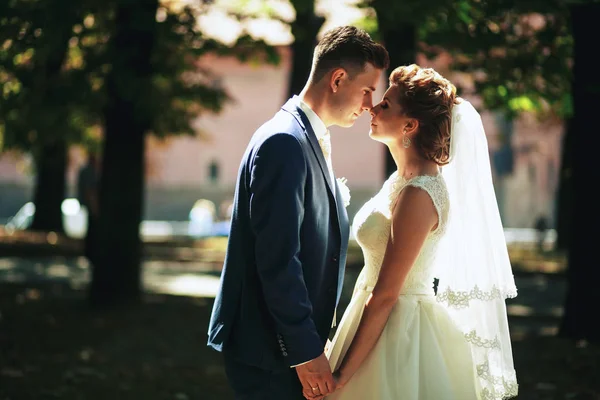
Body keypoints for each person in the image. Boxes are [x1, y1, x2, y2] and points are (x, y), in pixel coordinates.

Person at [207, 26, 390, 400]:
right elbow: (277, 258)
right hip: (270, 352)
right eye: (368, 89)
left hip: (283, 348)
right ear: (338, 79)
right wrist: (304, 350)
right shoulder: (285, 142)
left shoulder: (305, 136)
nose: (370, 104)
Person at [324, 64, 518, 400]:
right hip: (371, 316)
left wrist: (342, 374)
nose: (372, 107)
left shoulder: (419, 194)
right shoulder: (403, 181)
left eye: (385, 105)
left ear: (410, 125)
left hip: (398, 333)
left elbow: (386, 295)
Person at [77, 151, 100, 266]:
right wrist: (94, 206)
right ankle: (91, 253)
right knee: (93, 229)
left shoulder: (84, 170)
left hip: (88, 204)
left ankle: (89, 252)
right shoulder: (90, 172)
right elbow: (89, 190)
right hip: (91, 205)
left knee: (91, 228)